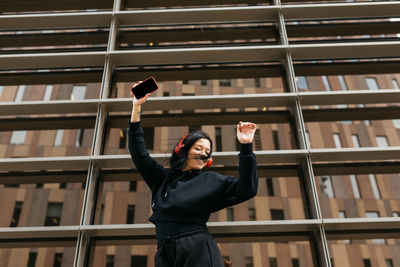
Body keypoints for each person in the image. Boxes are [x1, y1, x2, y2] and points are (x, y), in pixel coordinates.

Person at [128, 83, 258, 267]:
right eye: (198, 148)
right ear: (183, 150)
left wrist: (246, 146)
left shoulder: (211, 180)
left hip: (196, 248)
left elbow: (247, 188)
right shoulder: (161, 179)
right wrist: (136, 107)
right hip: (165, 252)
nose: (203, 153)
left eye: (207, 151)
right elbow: (138, 152)